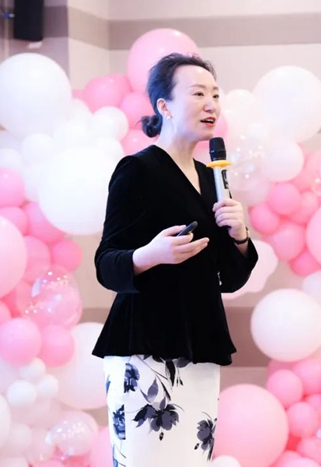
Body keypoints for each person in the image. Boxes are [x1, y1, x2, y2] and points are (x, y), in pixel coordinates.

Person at [91, 53, 258, 466]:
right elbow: (106, 263)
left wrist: (240, 236)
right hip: (143, 347)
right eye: (198, 94)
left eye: (215, 95)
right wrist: (150, 255)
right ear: (163, 106)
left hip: (200, 345)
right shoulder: (137, 170)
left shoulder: (212, 178)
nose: (211, 104)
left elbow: (230, 278)